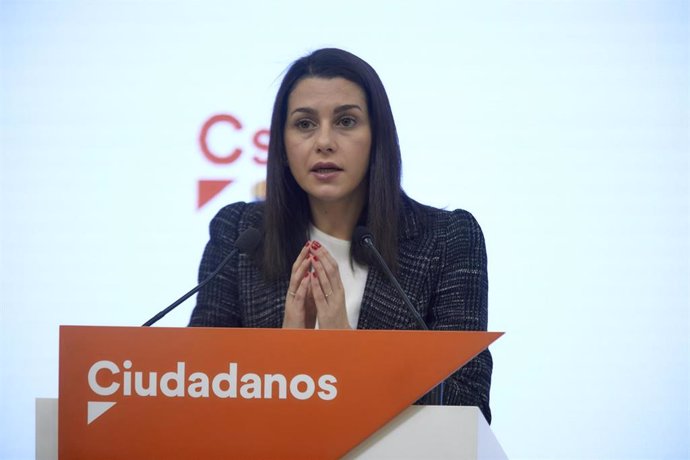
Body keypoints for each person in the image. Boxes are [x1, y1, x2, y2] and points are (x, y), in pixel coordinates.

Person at [188, 48, 493, 422]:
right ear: (281, 143)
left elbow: (469, 405)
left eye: (346, 121)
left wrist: (352, 355)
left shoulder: (448, 241)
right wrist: (278, 362)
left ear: (377, 135)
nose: (324, 141)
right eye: (304, 124)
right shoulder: (239, 233)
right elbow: (197, 393)